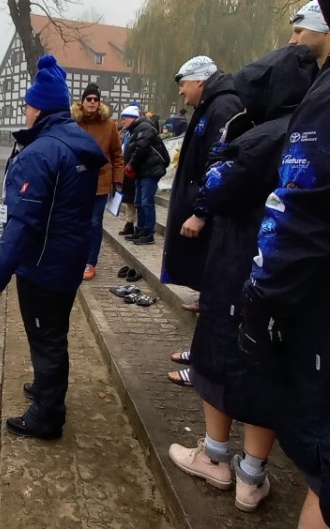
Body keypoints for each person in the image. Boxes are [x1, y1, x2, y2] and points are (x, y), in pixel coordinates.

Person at [167, 45, 317, 514]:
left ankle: (214, 456)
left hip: (239, 266)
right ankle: (252, 475)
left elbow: (216, 186)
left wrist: (210, 175)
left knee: (218, 358)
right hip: (288, 274)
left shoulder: (263, 136)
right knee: (267, 370)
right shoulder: (313, 131)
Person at [0, 55, 107, 440]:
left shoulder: (40, 153)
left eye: (27, 105)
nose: (25, 111)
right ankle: (45, 388)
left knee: (46, 338)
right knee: (53, 332)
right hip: (69, 258)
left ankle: (47, 417)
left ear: (36, 107)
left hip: (43, 263)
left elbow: (23, 223)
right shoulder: (79, 143)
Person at [241, 2, 330, 525]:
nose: (295, 37)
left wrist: (259, 297)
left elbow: (296, 207)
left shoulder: (315, 107)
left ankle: (244, 469)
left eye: (303, 28)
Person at [161, 56, 242, 387]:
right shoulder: (210, 106)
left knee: (214, 297)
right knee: (206, 293)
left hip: (211, 217)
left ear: (199, 81)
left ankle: (204, 365)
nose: (181, 92)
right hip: (200, 207)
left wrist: (201, 211)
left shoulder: (223, 107)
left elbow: (219, 164)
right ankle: (199, 353)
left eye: (183, 84)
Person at [70, 83, 125, 280]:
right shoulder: (73, 123)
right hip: (76, 181)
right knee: (77, 222)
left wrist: (118, 181)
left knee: (94, 223)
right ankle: (75, 258)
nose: (92, 102)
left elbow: (117, 156)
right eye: (89, 99)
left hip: (101, 181)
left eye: (96, 99)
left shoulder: (110, 126)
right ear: (82, 102)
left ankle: (90, 262)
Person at [122, 105, 170, 246]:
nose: (123, 122)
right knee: (139, 201)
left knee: (146, 202)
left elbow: (141, 149)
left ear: (133, 118)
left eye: (124, 119)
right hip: (142, 171)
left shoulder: (144, 128)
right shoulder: (137, 129)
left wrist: (131, 164)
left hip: (150, 170)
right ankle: (140, 230)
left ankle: (148, 233)